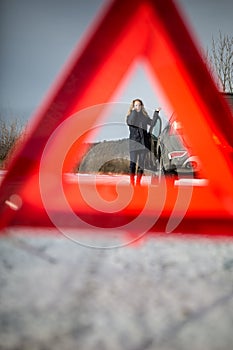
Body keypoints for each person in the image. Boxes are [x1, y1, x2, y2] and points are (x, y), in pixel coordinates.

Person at [126, 98, 161, 186]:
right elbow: (131, 122)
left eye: (139, 105)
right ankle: (131, 182)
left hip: (143, 143)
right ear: (133, 107)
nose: (137, 107)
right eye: (136, 105)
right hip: (134, 143)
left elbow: (152, 123)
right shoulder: (130, 116)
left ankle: (138, 182)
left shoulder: (144, 117)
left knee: (141, 164)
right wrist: (134, 112)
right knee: (132, 164)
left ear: (142, 106)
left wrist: (156, 112)